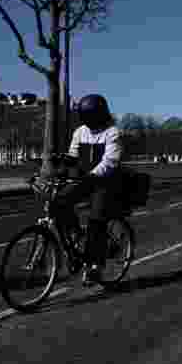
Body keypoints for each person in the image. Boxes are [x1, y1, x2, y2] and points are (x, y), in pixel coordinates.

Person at [55, 94, 124, 285]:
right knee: (58, 201)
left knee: (96, 219)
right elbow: (73, 155)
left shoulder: (112, 133)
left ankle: (95, 266)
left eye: (92, 118)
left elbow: (110, 161)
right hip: (85, 180)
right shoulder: (80, 132)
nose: (90, 123)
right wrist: (61, 164)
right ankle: (76, 234)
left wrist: (92, 175)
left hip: (105, 182)